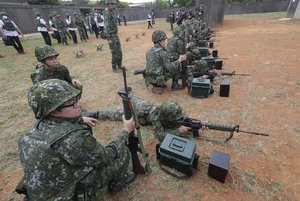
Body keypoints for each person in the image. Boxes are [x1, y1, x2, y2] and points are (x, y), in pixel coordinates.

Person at [18, 79, 136, 200]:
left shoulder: (30, 134)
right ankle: (117, 183)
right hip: (65, 196)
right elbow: (104, 157)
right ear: (53, 110)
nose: (78, 104)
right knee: (121, 153)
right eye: (72, 103)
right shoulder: (72, 139)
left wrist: (78, 119)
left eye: (76, 99)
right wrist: (125, 131)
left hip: (42, 194)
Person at [104, 0, 123, 72]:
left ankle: (120, 66)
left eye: (114, 4)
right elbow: (106, 27)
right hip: (111, 36)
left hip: (115, 35)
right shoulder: (107, 13)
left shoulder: (112, 13)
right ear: (108, 5)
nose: (114, 5)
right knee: (114, 52)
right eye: (112, 4)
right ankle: (114, 68)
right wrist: (108, 38)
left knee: (119, 52)